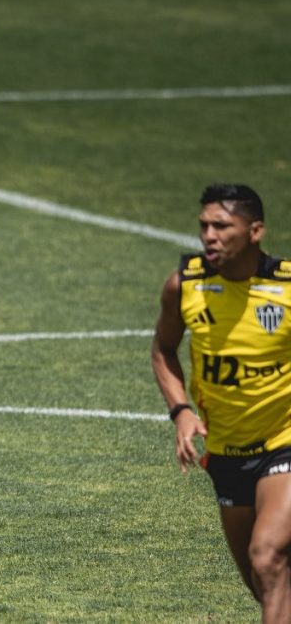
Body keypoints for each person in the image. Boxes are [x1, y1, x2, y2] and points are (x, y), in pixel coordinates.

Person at [151, 183, 291, 621]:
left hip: (284, 442)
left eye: (222, 226)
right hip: (226, 452)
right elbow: (163, 349)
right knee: (261, 582)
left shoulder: (287, 288)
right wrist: (181, 411)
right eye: (204, 226)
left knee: (267, 557)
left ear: (255, 231)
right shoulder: (185, 285)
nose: (209, 235)